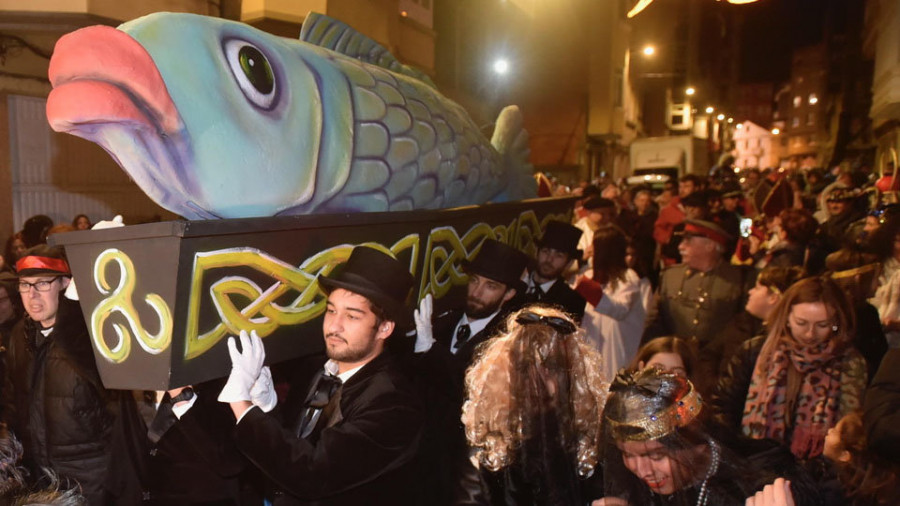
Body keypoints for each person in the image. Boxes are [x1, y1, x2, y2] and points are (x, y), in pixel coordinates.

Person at [221, 245, 424, 505]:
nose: (334, 325)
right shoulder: (315, 371)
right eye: (331, 310)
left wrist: (242, 405)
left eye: (352, 316)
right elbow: (294, 446)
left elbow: (313, 473)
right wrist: (266, 406)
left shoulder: (394, 404)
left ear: (384, 328)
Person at [1, 245, 117, 504]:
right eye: (24, 285)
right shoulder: (19, 337)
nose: (32, 295)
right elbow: (13, 406)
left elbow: (119, 414)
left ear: (65, 283)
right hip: (40, 480)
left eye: (42, 283)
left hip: (91, 481)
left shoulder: (90, 337)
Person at [457, 305, 607, 504]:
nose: (539, 381)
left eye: (552, 367)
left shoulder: (592, 440)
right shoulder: (489, 441)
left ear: (571, 373)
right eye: (525, 367)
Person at [709, 276, 868, 460]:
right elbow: (723, 406)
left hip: (817, 473)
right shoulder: (757, 351)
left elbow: (849, 429)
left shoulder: (850, 363)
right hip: (752, 462)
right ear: (786, 317)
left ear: (836, 323)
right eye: (801, 323)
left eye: (822, 325)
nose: (810, 334)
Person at [594, 368, 771, 506]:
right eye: (628, 455)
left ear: (696, 444)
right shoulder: (627, 484)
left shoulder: (750, 490)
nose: (642, 470)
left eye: (657, 456)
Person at [644, 219, 754, 393]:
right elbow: (654, 324)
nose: (680, 247)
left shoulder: (738, 280)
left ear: (710, 245)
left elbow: (742, 329)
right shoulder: (670, 276)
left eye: (688, 242)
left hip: (714, 370)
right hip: (674, 366)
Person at [578, 225, 647, 377]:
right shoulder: (588, 274)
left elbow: (620, 310)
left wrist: (590, 291)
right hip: (591, 346)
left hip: (616, 350)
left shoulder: (628, 277)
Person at [514, 221, 587, 321]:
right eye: (546, 251)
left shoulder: (572, 301)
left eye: (559, 256)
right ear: (537, 252)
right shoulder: (515, 285)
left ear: (569, 263)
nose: (549, 259)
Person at [629, 336, 698, 381]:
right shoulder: (622, 400)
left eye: (676, 373)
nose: (666, 377)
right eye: (658, 369)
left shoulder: (695, 403)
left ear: (688, 377)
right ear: (641, 367)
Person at [575, 197, 616, 263]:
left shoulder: (613, 229)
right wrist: (584, 257)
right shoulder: (577, 231)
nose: (607, 217)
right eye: (602, 214)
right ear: (589, 213)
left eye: (610, 214)